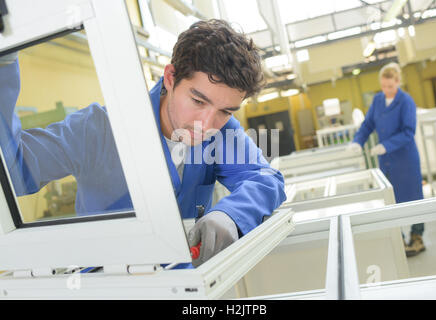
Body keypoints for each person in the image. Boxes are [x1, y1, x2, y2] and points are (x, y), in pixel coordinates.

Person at [0, 19, 286, 267]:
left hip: (187, 284)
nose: (207, 124)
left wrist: (230, 214)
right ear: (171, 77)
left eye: (226, 111)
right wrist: (3, 64)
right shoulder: (99, 128)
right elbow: (16, 174)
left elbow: (265, 180)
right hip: (109, 283)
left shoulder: (224, 133)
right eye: (198, 100)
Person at [348, 62, 425, 257]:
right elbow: (367, 125)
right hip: (386, 162)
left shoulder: (406, 101)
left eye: (390, 86)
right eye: (383, 86)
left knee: (413, 199)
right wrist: (357, 141)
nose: (387, 90)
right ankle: (397, 238)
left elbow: (409, 132)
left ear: (398, 82)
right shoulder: (378, 101)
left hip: (405, 159)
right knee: (389, 199)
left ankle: (417, 237)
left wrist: (386, 146)